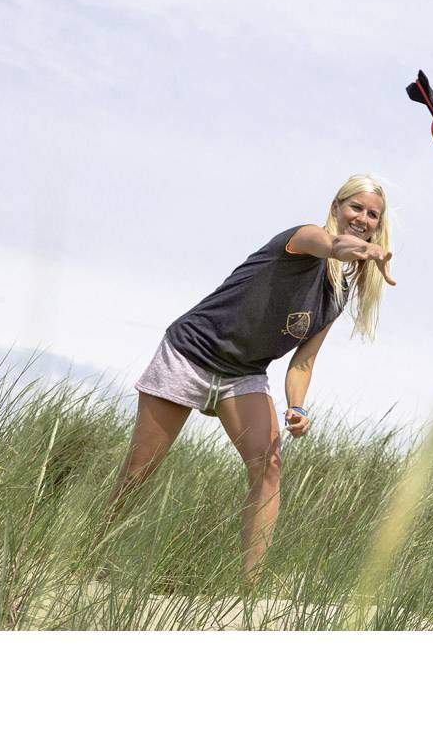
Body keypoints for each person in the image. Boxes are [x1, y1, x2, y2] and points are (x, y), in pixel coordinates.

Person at [107, 174, 396, 582]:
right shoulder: (303, 238)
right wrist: (363, 250)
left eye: (372, 215)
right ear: (336, 207)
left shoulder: (338, 293)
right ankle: (93, 552)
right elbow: (333, 245)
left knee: (269, 468)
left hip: (243, 375)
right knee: (139, 472)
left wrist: (297, 408)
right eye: (356, 208)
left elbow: (303, 362)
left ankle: (248, 590)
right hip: (191, 353)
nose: (362, 218)